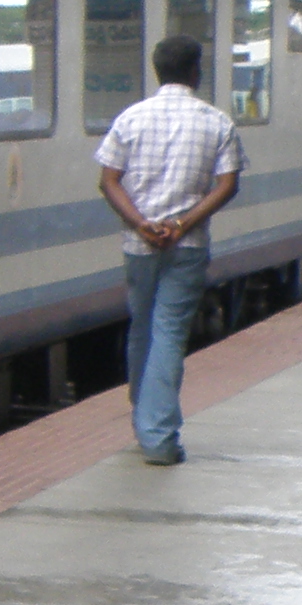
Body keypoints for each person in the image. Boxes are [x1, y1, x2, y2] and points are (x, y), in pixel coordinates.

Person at [94, 34, 244, 466]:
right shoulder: (216, 122)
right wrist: (183, 224)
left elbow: (108, 179)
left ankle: (145, 420)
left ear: (157, 69)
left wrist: (142, 224)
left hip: (138, 245)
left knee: (143, 327)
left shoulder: (130, 119)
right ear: (196, 70)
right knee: (169, 332)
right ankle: (158, 437)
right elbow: (228, 185)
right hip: (188, 245)